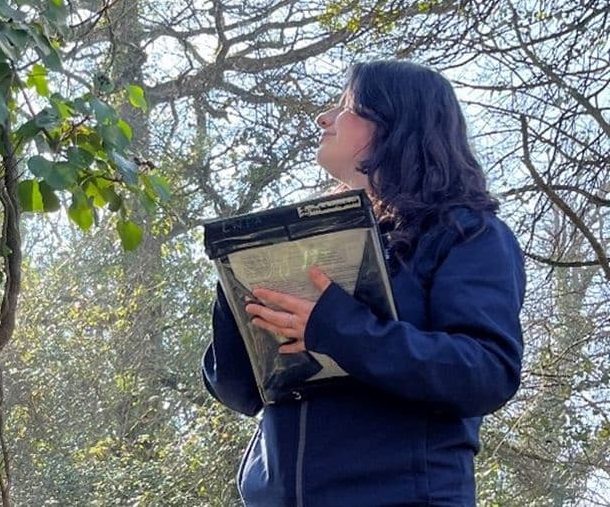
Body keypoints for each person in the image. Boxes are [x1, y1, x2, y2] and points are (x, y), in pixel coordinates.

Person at [203, 60, 526, 506]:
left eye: (346, 106)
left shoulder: (468, 233)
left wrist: (337, 327)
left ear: (396, 125)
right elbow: (238, 392)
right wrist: (235, 283)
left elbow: (486, 373)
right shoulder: (311, 240)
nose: (325, 118)